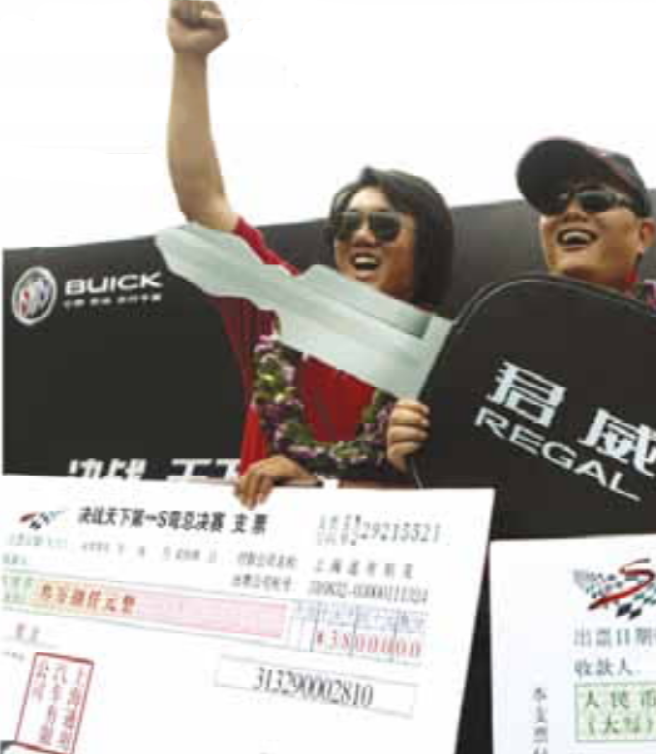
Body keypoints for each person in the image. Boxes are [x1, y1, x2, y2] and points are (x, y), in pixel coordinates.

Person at [386, 137, 656, 531]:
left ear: (644, 235)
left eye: (595, 199)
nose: (571, 211)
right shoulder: (493, 338)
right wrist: (418, 451)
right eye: (554, 202)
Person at [166, 1, 454, 508]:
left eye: (384, 225)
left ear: (426, 246)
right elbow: (202, 198)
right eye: (347, 223)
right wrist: (190, 60)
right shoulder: (282, 308)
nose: (361, 235)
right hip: (252, 551)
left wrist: (320, 489)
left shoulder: (455, 362)